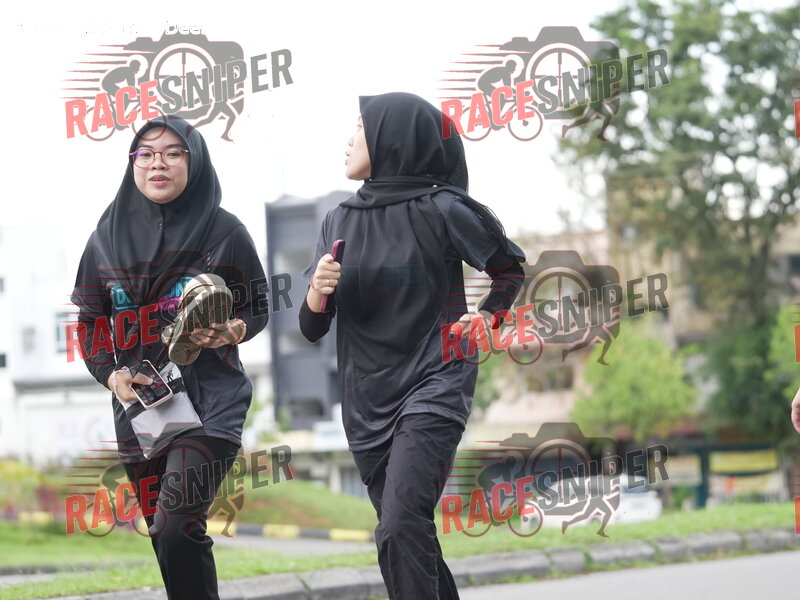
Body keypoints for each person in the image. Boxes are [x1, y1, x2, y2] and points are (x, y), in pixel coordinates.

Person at [298, 92, 526, 599]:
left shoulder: (442, 208)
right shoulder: (338, 220)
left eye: (360, 128)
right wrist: (317, 289)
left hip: (435, 382)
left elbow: (509, 270)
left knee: (400, 526)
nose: (349, 140)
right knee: (409, 537)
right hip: (366, 401)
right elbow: (312, 328)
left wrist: (488, 315)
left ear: (391, 138)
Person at [70, 116, 268, 600]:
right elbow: (90, 321)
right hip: (141, 408)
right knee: (164, 532)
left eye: (173, 152)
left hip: (211, 403)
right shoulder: (104, 240)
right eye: (146, 153)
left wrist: (232, 330)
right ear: (132, 163)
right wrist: (110, 374)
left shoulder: (224, 232)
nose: (157, 162)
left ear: (193, 162)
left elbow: (258, 305)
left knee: (179, 525)